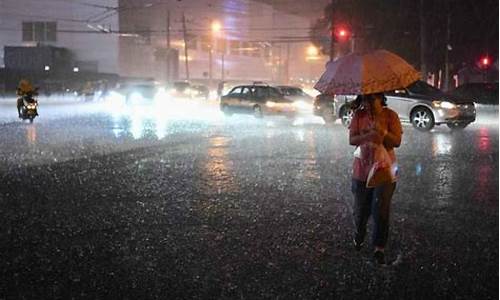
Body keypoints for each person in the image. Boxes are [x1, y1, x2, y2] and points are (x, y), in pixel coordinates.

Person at [348, 93, 402, 265]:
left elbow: (397, 141)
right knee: (361, 211)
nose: (368, 104)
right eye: (365, 100)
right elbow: (352, 140)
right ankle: (359, 233)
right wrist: (366, 136)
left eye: (371, 100)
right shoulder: (359, 115)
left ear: (380, 99)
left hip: (384, 170)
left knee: (381, 211)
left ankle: (379, 248)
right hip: (361, 170)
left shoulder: (390, 115)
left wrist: (383, 133)